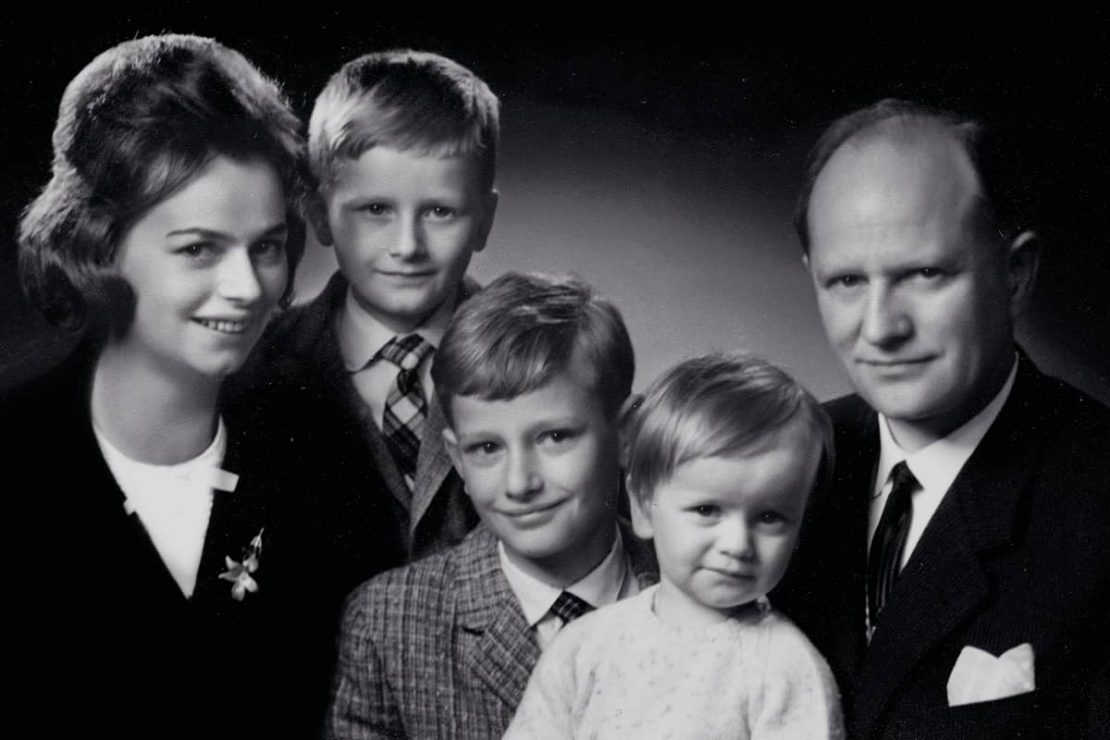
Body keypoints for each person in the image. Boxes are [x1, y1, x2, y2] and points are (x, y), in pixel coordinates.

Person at [3, 34, 334, 738]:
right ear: (96, 247)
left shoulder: (320, 451)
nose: (248, 289)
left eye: (267, 247)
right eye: (198, 249)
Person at [774, 98, 1110, 739]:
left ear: (1016, 272)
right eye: (845, 281)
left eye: (925, 273)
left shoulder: (1097, 492)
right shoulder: (780, 460)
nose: (880, 328)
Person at [326, 272, 657, 740]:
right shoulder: (387, 626)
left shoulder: (710, 593)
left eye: (555, 437)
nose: (520, 483)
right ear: (456, 459)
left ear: (628, 435)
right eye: (487, 449)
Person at [234, 50, 499, 589]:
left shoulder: (545, 358)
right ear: (318, 215)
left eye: (440, 211)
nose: (407, 247)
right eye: (376, 210)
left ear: (483, 221)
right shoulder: (251, 373)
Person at [505, 353, 844, 739]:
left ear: (800, 527)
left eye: (769, 517)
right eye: (707, 509)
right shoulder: (583, 648)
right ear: (643, 507)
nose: (737, 545)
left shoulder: (786, 669)